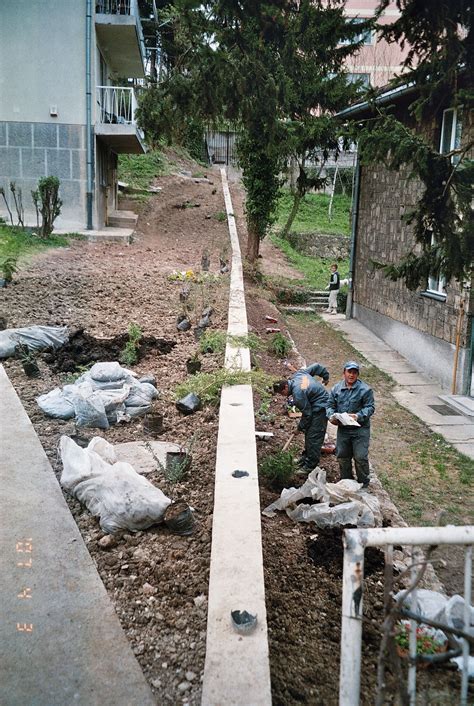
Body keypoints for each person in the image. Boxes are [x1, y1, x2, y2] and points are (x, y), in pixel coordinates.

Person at [273, 362, 329, 472]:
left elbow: (307, 414)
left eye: (282, 393)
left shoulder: (298, 393)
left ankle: (310, 466)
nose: (282, 396)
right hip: (314, 405)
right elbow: (317, 366)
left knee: (314, 436)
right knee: (308, 433)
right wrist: (325, 377)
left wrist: (299, 428)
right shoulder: (299, 375)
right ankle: (305, 458)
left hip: (321, 408)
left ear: (285, 387)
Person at [327, 361, 375, 487]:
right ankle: (347, 481)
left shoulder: (365, 390)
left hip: (360, 429)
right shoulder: (336, 389)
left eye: (354, 373)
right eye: (349, 372)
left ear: (357, 375)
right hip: (343, 429)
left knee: (360, 457)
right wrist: (331, 417)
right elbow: (329, 406)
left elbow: (370, 407)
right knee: (342, 455)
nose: (351, 375)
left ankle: (363, 483)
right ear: (344, 373)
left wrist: (358, 416)